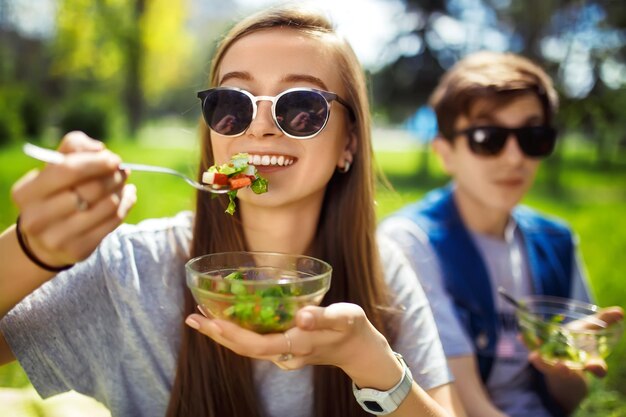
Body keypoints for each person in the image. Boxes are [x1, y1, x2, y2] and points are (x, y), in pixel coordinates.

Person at [0, 6, 467, 417]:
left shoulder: (384, 275)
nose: (260, 127)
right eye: (232, 104)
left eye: (302, 107)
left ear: (349, 143)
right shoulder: (133, 269)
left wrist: (372, 365)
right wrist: (31, 249)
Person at [378, 51, 624, 417]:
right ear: (445, 152)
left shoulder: (557, 240)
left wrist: (561, 364)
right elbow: (464, 404)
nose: (514, 158)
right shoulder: (410, 242)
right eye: (487, 136)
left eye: (533, 136)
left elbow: (570, 399)